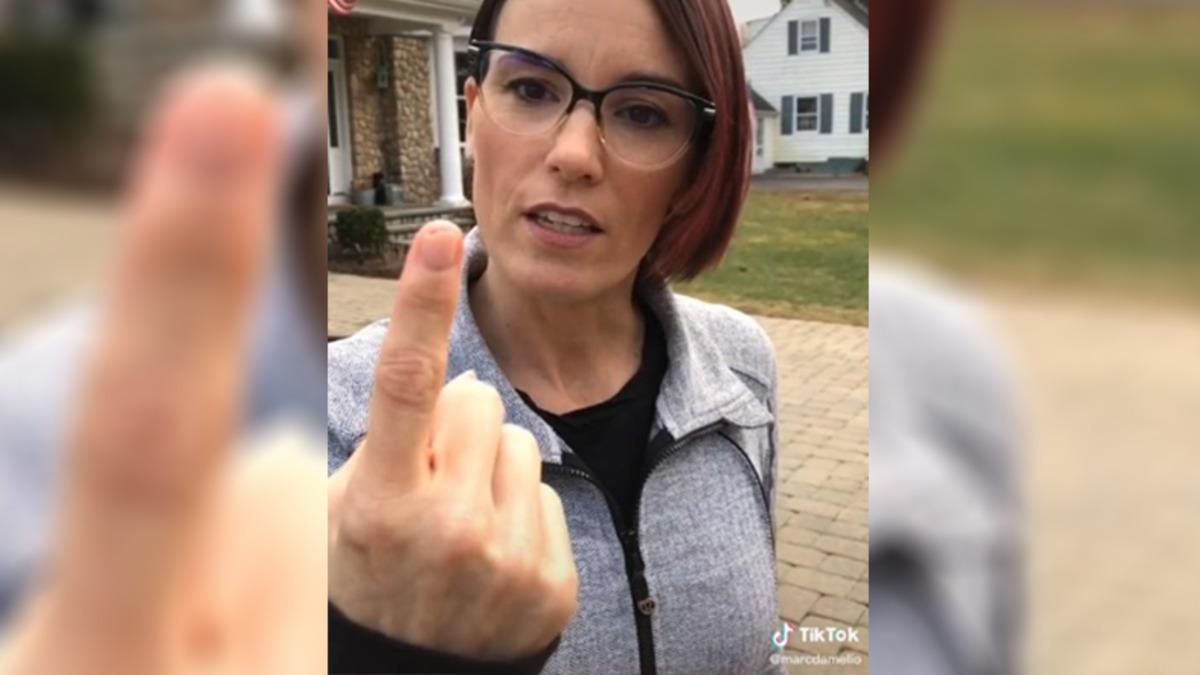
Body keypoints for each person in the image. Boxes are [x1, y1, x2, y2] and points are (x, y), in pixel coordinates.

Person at [326, 0, 782, 673]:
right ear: (473, 115)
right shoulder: (329, 416)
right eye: (532, 89)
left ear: (695, 166)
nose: (573, 155)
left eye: (642, 113)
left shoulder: (742, 370)